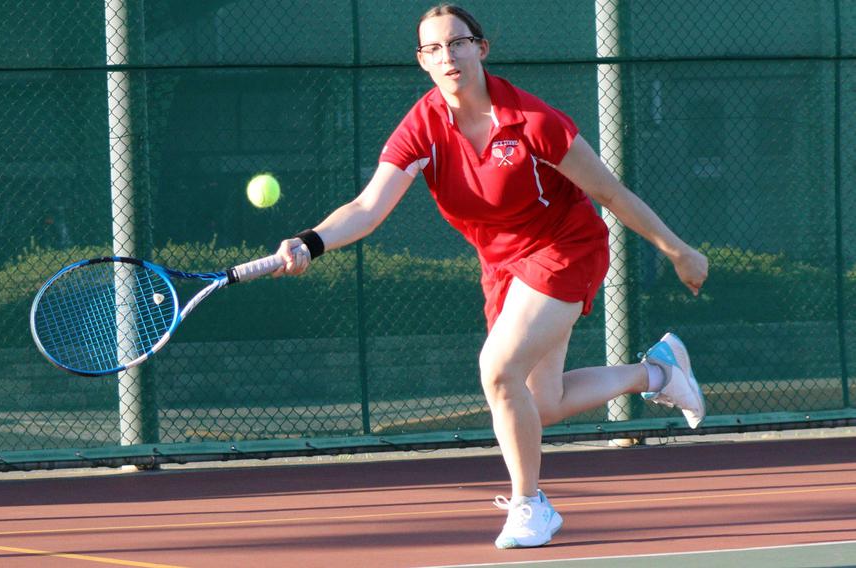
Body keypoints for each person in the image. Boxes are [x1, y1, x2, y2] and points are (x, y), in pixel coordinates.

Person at [274, 3, 709, 549]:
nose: (447, 55)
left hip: (564, 247)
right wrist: (311, 240)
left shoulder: (534, 122)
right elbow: (367, 208)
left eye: (457, 42)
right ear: (422, 62)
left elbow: (610, 192)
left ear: (481, 48)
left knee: (497, 370)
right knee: (540, 402)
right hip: (503, 267)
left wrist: (678, 250)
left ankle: (532, 505)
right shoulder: (422, 127)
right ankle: (660, 374)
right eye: (433, 48)